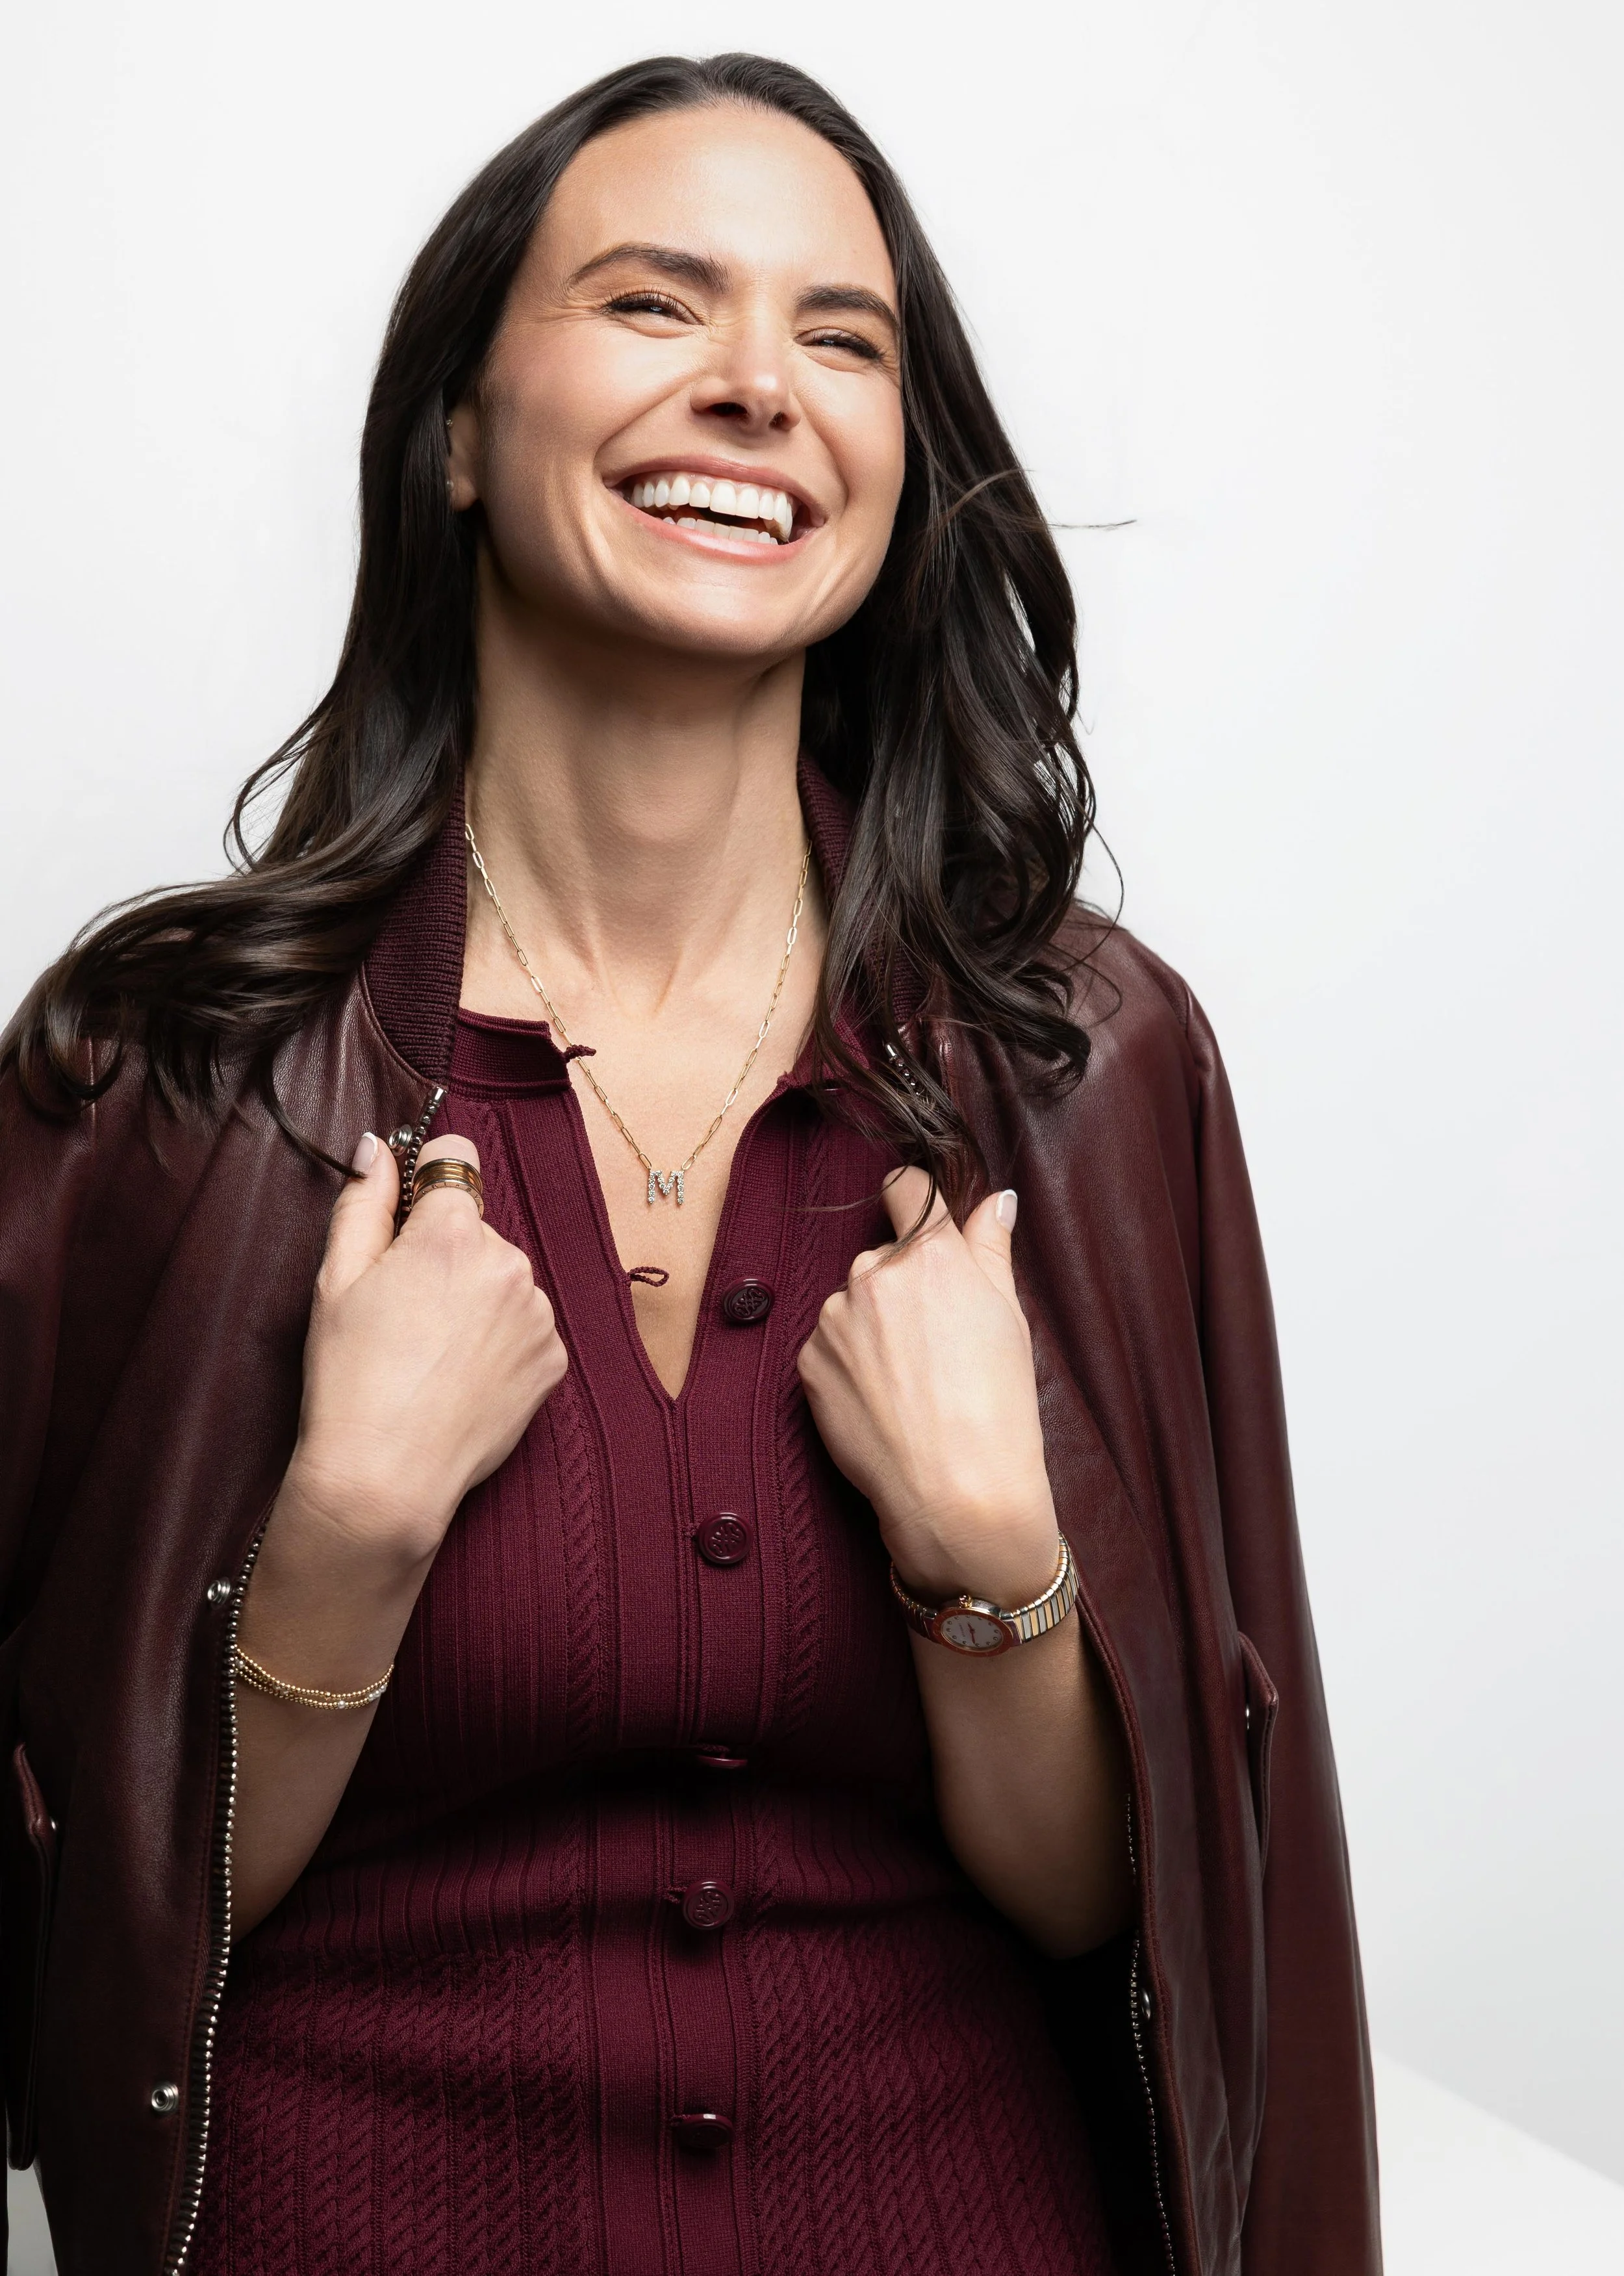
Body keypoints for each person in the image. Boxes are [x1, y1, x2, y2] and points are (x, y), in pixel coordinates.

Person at [0, 52, 1379, 2276]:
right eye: (657, 306)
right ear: (453, 427)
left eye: (843, 339)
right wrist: (342, 1530)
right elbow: (75, 1969)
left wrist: (990, 1550)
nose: (761, 386)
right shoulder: (168, 1077)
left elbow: (1125, 1910)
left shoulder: (1086, 1067)